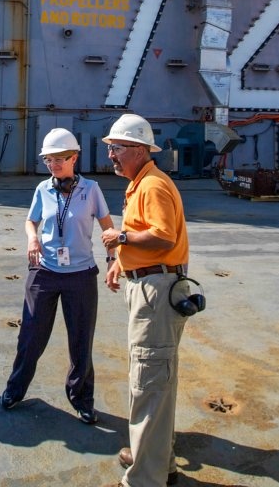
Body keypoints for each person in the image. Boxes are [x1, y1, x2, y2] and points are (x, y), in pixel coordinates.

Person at [100, 114, 191, 487]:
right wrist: (120, 263)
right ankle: (155, 459)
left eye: (117, 148)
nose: (111, 156)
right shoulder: (141, 183)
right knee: (156, 381)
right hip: (153, 285)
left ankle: (144, 479)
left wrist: (120, 239)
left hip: (155, 293)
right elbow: (148, 234)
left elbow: (163, 237)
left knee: (148, 381)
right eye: (111, 148)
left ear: (139, 149)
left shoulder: (151, 185)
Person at [1, 128, 114, 424]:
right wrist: (32, 238)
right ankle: (15, 389)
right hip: (45, 272)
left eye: (59, 159)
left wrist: (113, 258)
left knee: (81, 340)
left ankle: (82, 399)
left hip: (81, 275)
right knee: (30, 335)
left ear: (74, 158)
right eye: (48, 160)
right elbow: (31, 220)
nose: (53, 165)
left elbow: (108, 227)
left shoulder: (91, 189)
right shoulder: (43, 189)